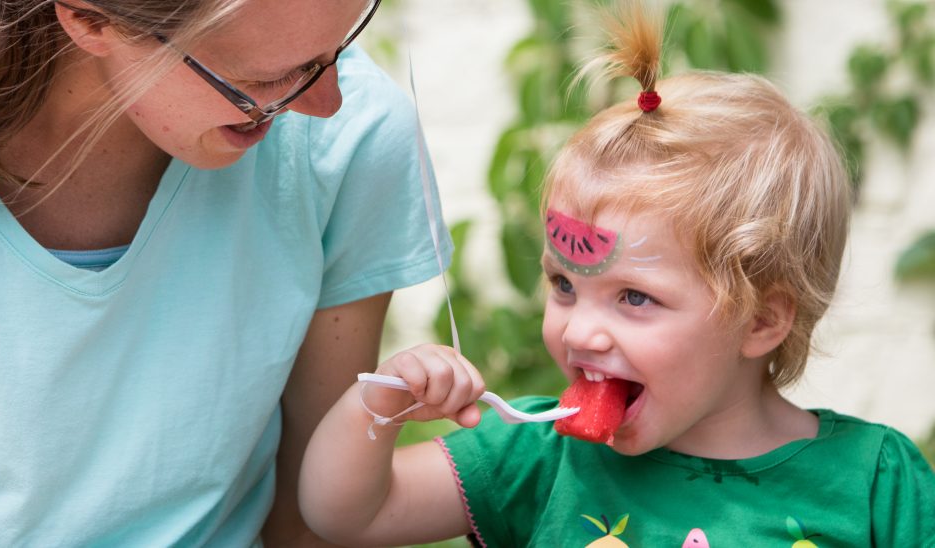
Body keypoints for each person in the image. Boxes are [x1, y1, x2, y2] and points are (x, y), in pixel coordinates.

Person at [0, 0, 452, 544]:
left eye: (334, 50)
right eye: (269, 78)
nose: (324, 104)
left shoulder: (355, 138)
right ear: (90, 19)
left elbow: (306, 524)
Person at [298, 2, 935, 546]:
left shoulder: (875, 481)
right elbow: (345, 516)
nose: (582, 332)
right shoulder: (538, 456)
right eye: (564, 286)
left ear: (762, 319)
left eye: (634, 297)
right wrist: (378, 403)